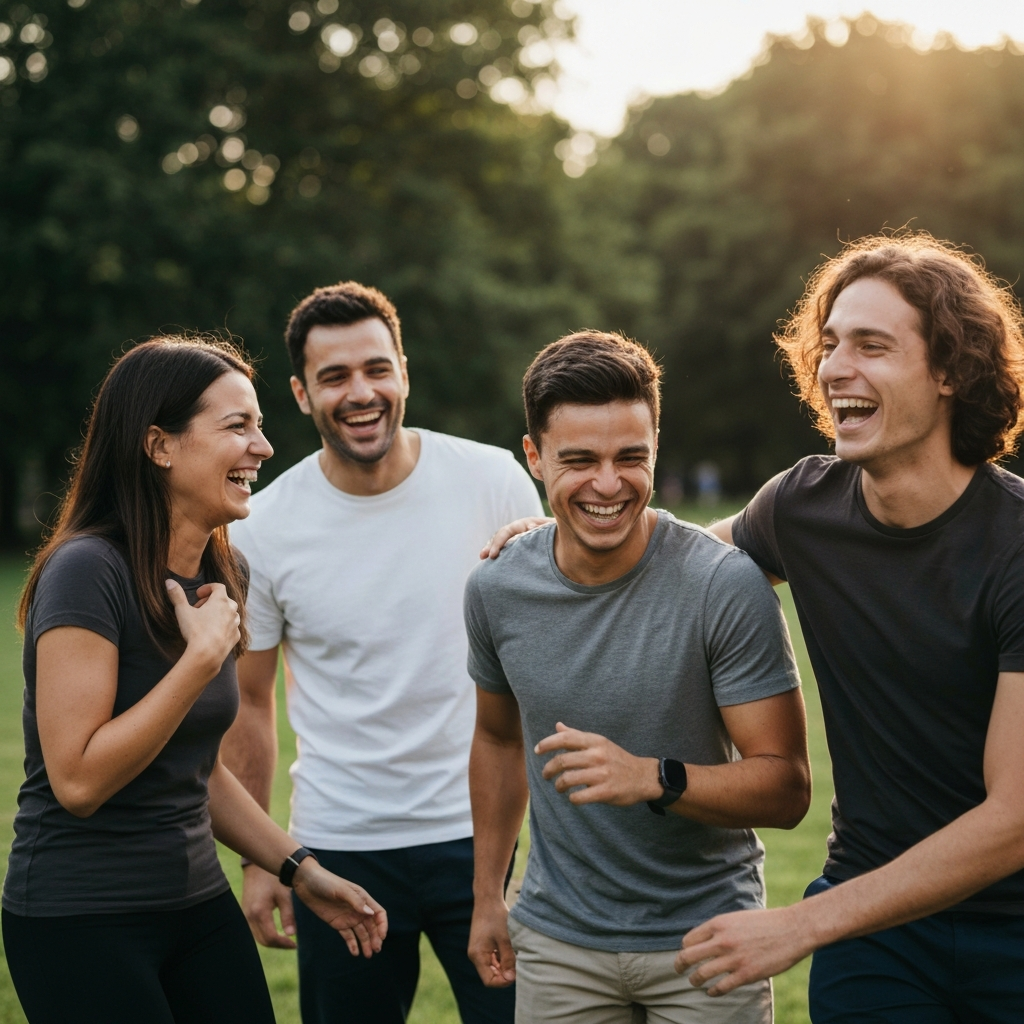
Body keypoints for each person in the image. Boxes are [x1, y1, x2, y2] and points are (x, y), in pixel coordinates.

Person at [487, 236, 1024, 1021]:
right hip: (875, 927)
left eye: (872, 346)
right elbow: (678, 560)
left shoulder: (1014, 545)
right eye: (831, 344)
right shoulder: (803, 503)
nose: (836, 367)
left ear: (951, 369)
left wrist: (801, 924)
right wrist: (557, 535)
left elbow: (1013, 820)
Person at [2, 338, 387, 1024]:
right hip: (82, 919)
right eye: (238, 426)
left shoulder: (221, 574)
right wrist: (197, 664)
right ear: (160, 445)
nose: (264, 447)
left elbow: (196, 769)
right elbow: (80, 782)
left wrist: (301, 870)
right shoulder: (88, 572)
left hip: (196, 904)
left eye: (260, 425)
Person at [464, 331, 810, 1024]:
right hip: (558, 939)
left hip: (708, 941)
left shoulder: (724, 586)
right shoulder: (496, 588)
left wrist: (655, 777)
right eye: (578, 460)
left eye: (631, 457)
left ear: (656, 446)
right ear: (534, 457)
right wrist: (487, 898)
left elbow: (787, 788)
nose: (607, 484)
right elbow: (498, 743)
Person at [222, 282, 543, 1024]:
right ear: (301, 395)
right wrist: (263, 859)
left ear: (404, 371)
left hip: (486, 834)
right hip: (338, 845)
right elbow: (250, 698)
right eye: (334, 377)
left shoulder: (492, 479)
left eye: (375, 369)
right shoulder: (261, 528)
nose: (359, 393)